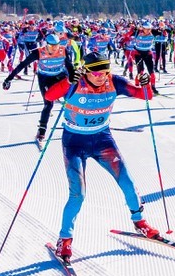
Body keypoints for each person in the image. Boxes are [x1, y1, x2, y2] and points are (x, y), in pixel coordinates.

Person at [42, 55, 158, 260]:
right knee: (78, 194)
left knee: (128, 183)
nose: (101, 77)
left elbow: (146, 95)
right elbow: (50, 96)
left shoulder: (114, 82)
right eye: (96, 73)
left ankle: (139, 222)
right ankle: (65, 240)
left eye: (105, 72)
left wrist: (149, 81)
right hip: (74, 143)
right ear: (85, 71)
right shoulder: (75, 83)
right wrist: (68, 81)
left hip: (103, 140)